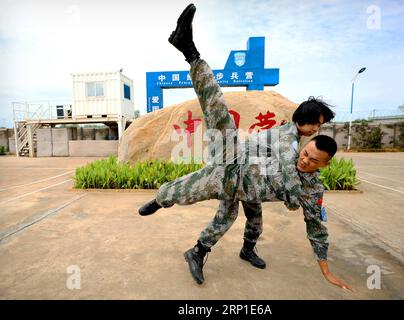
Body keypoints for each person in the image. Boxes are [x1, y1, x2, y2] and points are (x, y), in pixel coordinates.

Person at [139, 3, 352, 291]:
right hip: (233, 165)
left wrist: (325, 267)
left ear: (324, 164)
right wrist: (292, 196)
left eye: (320, 126)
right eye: (315, 122)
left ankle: (235, 250)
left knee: (247, 219)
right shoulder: (285, 139)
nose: (316, 129)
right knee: (217, 113)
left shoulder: (305, 162)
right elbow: (282, 164)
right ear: (303, 118)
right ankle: (190, 51)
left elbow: (316, 224)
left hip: (250, 186)